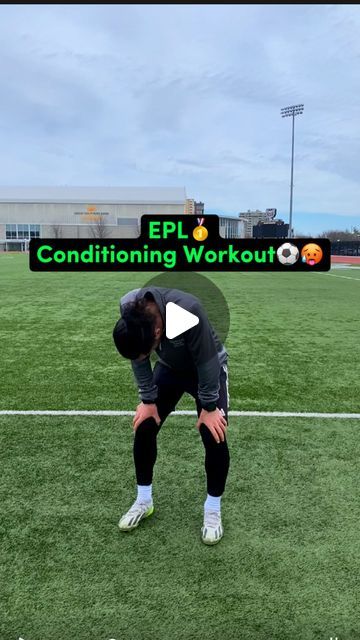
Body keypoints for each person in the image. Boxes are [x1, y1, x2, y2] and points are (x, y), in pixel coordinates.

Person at [112, 286, 230, 545]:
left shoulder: (188, 311)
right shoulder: (129, 307)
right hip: (170, 367)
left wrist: (209, 407)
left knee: (214, 433)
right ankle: (144, 500)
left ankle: (212, 509)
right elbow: (138, 357)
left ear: (157, 332)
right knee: (145, 424)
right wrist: (148, 400)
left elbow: (208, 361)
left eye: (146, 350)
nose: (142, 358)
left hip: (206, 368)